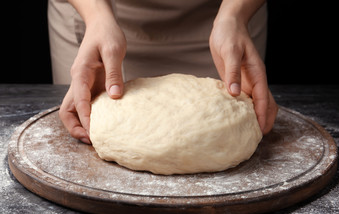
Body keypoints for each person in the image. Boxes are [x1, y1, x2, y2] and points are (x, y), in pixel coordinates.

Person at [48, 0, 278, 144]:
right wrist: (96, 17)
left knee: (227, 130)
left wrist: (235, 14)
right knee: (91, 123)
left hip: (225, 16)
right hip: (98, 15)